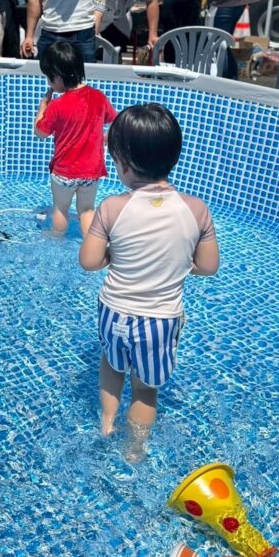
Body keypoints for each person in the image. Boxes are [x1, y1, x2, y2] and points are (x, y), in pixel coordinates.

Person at [79, 103, 219, 462]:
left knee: (112, 364)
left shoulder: (112, 207)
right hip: (159, 320)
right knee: (144, 390)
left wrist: (110, 252)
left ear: (124, 163)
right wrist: (177, 265)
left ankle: (106, 423)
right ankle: (134, 450)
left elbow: (90, 262)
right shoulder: (196, 209)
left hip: (114, 310)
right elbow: (208, 267)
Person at [33, 41, 117, 235]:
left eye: (49, 78)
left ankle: (56, 241)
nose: (48, 83)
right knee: (86, 210)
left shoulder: (57, 105)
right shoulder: (98, 97)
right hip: (91, 172)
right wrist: (106, 137)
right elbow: (116, 120)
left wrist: (43, 107)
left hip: (65, 172)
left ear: (58, 76)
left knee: (61, 209)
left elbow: (40, 133)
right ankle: (91, 244)